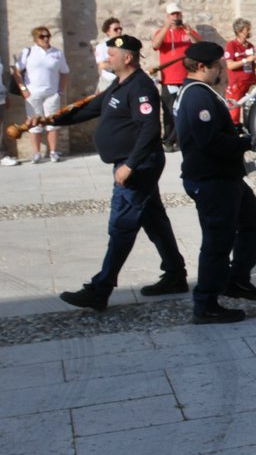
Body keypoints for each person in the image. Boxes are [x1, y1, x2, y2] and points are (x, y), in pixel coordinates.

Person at [44, 35, 188, 310]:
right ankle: (175, 275)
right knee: (153, 219)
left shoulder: (142, 87)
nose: (107, 58)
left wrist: (130, 165)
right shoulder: (119, 84)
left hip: (138, 166)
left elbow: (149, 129)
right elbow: (91, 108)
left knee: (121, 225)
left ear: (128, 57)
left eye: (111, 54)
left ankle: (101, 288)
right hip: (131, 163)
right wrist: (54, 119)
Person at [172, 42, 256, 324]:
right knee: (217, 243)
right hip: (212, 179)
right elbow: (210, 141)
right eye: (218, 65)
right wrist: (246, 142)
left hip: (225, 177)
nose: (222, 70)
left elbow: (217, 130)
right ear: (203, 67)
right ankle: (205, 304)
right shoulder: (197, 98)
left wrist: (241, 133)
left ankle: (237, 279)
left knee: (253, 222)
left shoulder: (198, 93)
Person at [17, 25, 70, 163]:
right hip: (32, 94)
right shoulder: (28, 52)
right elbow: (17, 72)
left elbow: (64, 73)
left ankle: (53, 152)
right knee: (34, 124)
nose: (46, 39)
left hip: (52, 93)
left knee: (52, 123)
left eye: (48, 36)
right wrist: (24, 90)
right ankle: (36, 153)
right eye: (42, 36)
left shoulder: (57, 53)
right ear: (35, 38)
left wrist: (59, 91)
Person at [152, 3, 199, 149]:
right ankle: (168, 140)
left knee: (186, 111)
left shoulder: (187, 31)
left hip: (186, 79)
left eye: (178, 14)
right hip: (169, 80)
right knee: (168, 111)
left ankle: (182, 140)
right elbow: (155, 45)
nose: (176, 17)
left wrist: (189, 32)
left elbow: (199, 46)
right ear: (167, 16)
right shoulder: (162, 32)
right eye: (173, 14)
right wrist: (167, 27)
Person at [223, 19, 256, 125]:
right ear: (239, 31)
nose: (249, 32)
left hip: (250, 83)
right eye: (247, 29)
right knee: (234, 113)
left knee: (251, 112)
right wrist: (246, 60)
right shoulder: (231, 45)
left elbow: (252, 66)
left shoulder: (250, 45)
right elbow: (230, 65)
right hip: (237, 84)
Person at [94, 18, 123, 93]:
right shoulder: (101, 46)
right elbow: (102, 65)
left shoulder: (124, 45)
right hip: (108, 82)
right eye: (116, 29)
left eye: (120, 28)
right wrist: (120, 64)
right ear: (108, 32)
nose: (119, 31)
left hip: (123, 80)